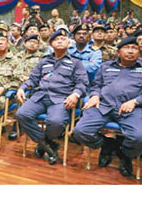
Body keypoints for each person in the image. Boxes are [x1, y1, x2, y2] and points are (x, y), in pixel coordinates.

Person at [72, 36, 142, 177]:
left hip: (131, 109)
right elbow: (96, 85)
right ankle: (107, 144)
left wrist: (135, 101)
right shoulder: (106, 66)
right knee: (80, 131)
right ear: (118, 52)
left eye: (134, 48)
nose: (131, 51)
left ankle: (124, 154)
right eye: (127, 48)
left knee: (140, 138)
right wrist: (94, 95)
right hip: (103, 106)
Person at [15, 30, 89, 165]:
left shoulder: (76, 62)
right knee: (22, 114)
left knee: (56, 122)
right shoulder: (44, 61)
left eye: (63, 38)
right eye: (56, 39)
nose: (60, 41)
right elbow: (33, 79)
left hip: (61, 99)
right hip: (40, 96)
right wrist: (22, 88)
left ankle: (44, 144)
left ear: (69, 43)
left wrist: (75, 94)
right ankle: (47, 145)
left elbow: (82, 83)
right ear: (51, 44)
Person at [7, 34, 43, 140]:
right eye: (30, 41)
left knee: (22, 96)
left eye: (35, 42)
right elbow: (10, 69)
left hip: (32, 87)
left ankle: (17, 127)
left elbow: (45, 74)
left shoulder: (42, 57)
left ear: (38, 45)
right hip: (14, 83)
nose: (32, 44)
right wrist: (20, 77)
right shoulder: (17, 56)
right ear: (25, 43)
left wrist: (29, 78)